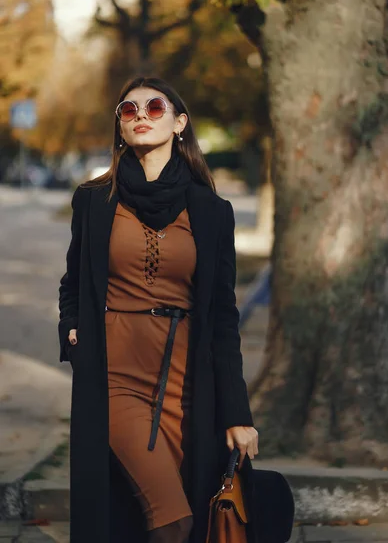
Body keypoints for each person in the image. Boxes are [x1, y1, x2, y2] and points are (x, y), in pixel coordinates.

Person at [58, 76, 258, 543]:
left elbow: (224, 318)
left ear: (179, 123)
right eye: (129, 111)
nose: (141, 116)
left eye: (154, 107)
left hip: (186, 384)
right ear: (121, 128)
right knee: (171, 517)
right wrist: (72, 327)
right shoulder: (93, 201)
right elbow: (73, 281)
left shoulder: (211, 210)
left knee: (180, 516)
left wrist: (237, 412)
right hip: (115, 374)